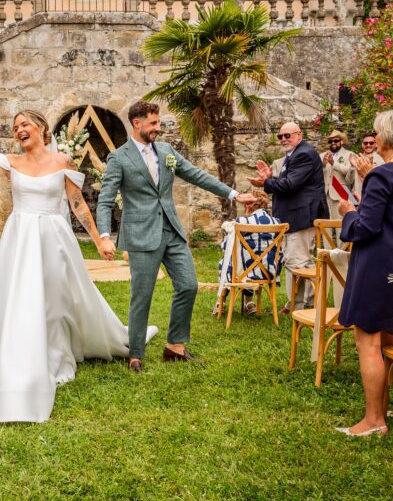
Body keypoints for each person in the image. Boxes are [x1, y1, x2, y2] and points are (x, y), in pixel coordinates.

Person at [0, 109, 158, 422]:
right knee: (21, 296)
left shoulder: (63, 161)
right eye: (15, 127)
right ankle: (21, 350)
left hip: (53, 236)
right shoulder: (9, 161)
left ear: (40, 128)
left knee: (56, 298)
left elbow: (77, 204)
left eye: (25, 124)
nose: (19, 130)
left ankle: (57, 352)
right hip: (21, 237)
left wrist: (100, 238)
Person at [97, 101, 254, 374]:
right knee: (141, 296)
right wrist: (104, 235)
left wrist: (233, 194)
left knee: (189, 285)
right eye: (154, 123)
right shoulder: (119, 158)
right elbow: (105, 200)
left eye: (159, 123)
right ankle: (136, 354)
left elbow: (196, 175)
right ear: (137, 123)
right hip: (141, 235)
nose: (159, 128)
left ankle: (175, 346)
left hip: (172, 231)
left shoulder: (167, 152)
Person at [334, 108, 393, 436]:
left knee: (368, 340)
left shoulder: (382, 176)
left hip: (377, 267)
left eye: (378, 132)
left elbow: (366, 227)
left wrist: (348, 213)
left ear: (388, 138)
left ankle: (374, 420)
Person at [248, 121, 328, 312]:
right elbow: (287, 182)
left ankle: (297, 305)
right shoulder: (295, 154)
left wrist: (266, 183)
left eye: (288, 136)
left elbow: (290, 185)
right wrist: (271, 179)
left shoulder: (304, 154)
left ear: (299, 135)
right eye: (280, 136)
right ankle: (308, 301)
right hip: (298, 215)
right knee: (303, 260)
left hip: (301, 215)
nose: (283, 139)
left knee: (296, 261)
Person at [215, 190, 281, 315]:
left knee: (228, 260)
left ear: (250, 204)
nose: (245, 206)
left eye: (246, 204)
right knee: (250, 260)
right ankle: (249, 302)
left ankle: (221, 300)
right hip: (268, 271)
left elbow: (226, 246)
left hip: (245, 273)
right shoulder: (277, 222)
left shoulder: (242, 222)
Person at [321, 130, 355, 219]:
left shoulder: (349, 155)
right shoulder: (323, 155)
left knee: (340, 225)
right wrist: (323, 165)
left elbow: (349, 172)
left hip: (341, 193)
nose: (333, 143)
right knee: (325, 226)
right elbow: (316, 175)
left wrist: (333, 163)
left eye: (335, 141)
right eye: (330, 141)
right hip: (325, 194)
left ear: (342, 141)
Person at [353, 131, 385, 198]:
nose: (368, 145)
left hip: (374, 196)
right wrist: (352, 166)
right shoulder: (357, 158)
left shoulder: (382, 160)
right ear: (362, 144)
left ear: (376, 144)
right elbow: (349, 180)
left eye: (371, 143)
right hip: (357, 196)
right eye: (365, 143)